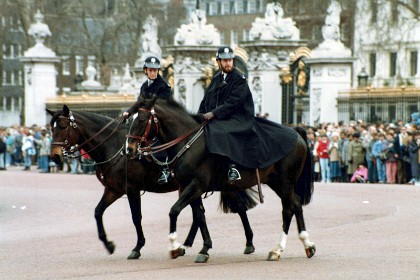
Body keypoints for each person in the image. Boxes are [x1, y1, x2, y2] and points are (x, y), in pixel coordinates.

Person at [197, 46, 298, 183]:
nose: (228, 63)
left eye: (230, 60)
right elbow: (206, 99)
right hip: (222, 117)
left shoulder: (239, 78)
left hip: (239, 117)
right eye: (225, 61)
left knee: (223, 131)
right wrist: (200, 115)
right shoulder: (216, 78)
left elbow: (234, 102)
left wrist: (214, 113)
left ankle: (233, 167)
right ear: (218, 62)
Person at [122, 56, 172, 184]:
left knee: (160, 139)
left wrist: (148, 108)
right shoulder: (145, 85)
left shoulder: (164, 85)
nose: (153, 72)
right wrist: (128, 112)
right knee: (134, 128)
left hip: (161, 118)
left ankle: (164, 168)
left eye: (155, 70)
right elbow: (140, 101)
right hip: (147, 116)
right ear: (146, 71)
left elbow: (163, 105)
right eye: (150, 70)